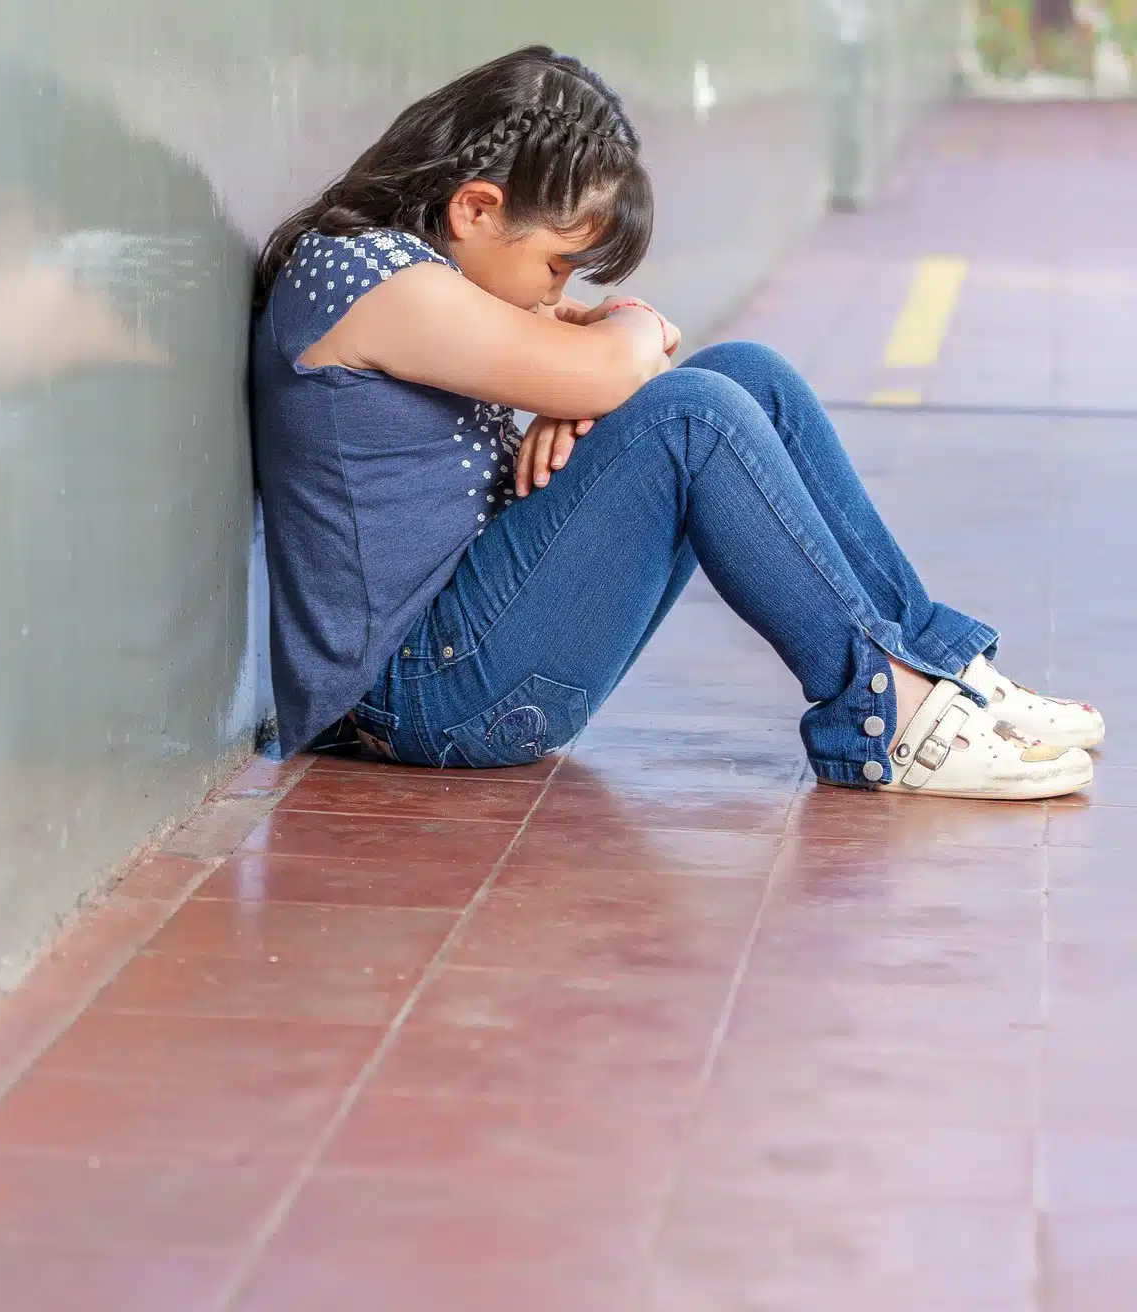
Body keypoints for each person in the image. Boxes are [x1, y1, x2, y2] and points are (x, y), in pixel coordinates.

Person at [251, 44, 1100, 800]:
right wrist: (630, 333)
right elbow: (620, 364)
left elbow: (606, 370)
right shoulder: (370, 277)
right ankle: (885, 718)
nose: (558, 294)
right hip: (417, 693)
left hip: (468, 656)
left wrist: (595, 380)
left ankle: (932, 664)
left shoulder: (433, 272)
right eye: (556, 265)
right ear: (476, 208)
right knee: (691, 414)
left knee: (748, 376)